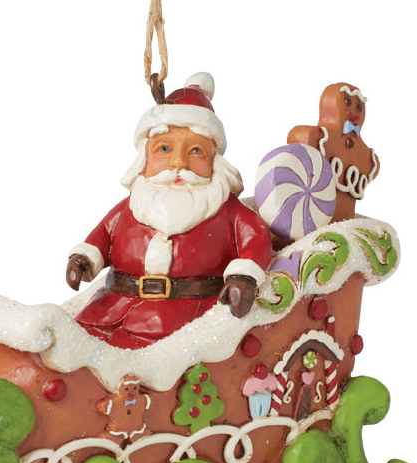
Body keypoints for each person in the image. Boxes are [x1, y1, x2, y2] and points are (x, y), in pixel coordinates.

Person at [66, 73, 273, 349]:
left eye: (195, 151)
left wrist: (243, 277)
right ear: (145, 157)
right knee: (81, 340)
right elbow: (103, 235)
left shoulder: (227, 211)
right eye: (164, 149)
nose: (178, 163)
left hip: (183, 314)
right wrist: (83, 259)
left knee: (132, 352)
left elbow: (255, 238)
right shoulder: (133, 204)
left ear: (214, 160)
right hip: (112, 305)